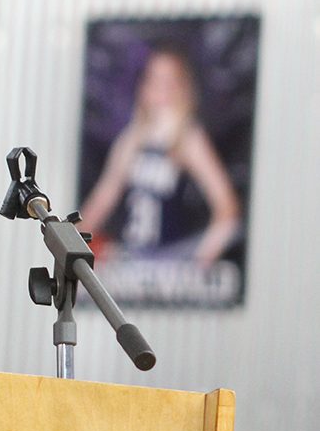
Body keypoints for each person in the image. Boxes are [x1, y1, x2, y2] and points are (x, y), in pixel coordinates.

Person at [79, 47, 241, 267]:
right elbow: (101, 202)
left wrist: (199, 262)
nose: (161, 90)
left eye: (169, 81)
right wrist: (71, 243)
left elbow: (227, 208)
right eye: (155, 80)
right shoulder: (132, 137)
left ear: (182, 87)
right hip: (131, 262)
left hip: (168, 265)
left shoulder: (188, 138)